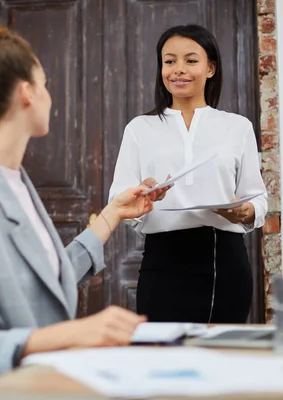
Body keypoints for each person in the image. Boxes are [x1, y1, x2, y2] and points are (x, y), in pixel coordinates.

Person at [0, 3, 161, 399]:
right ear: (26, 93)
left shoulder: (15, 184)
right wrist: (76, 331)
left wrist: (113, 214)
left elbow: (45, 279)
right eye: (45, 83)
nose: (50, 96)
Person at [108, 25, 268, 325]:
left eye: (190, 60)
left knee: (221, 358)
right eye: (169, 61)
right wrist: (141, 196)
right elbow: (118, 201)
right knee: (162, 361)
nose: (178, 70)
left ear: (211, 68)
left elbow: (257, 198)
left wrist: (244, 211)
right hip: (162, 261)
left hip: (226, 261)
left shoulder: (237, 127)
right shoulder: (139, 129)